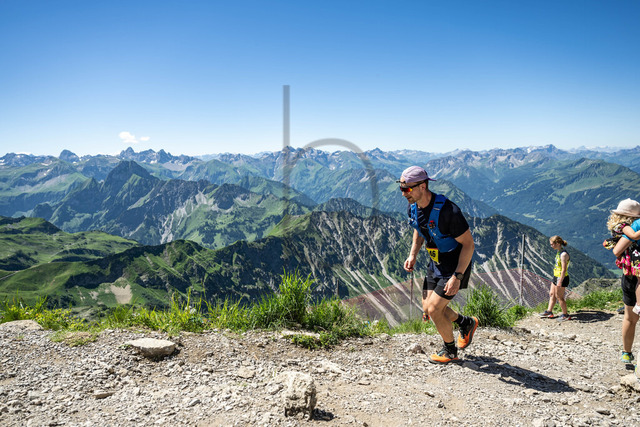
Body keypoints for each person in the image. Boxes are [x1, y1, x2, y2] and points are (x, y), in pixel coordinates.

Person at [400, 165, 477, 364]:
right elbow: (419, 228)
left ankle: (450, 351)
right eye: (401, 188)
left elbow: (469, 245)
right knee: (428, 308)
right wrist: (412, 254)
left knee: (435, 310)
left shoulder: (449, 211)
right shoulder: (413, 206)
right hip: (436, 261)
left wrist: (457, 276)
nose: (404, 193)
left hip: (455, 264)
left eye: (407, 189)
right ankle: (465, 323)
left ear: (423, 186)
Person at [611, 199, 640, 365]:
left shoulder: (626, 226)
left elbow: (617, 251)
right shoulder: (631, 226)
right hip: (635, 274)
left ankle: (627, 352)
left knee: (630, 318)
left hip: (630, 274)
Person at [604, 199, 640, 316]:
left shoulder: (618, 225)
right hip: (633, 256)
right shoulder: (624, 226)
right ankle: (639, 305)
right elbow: (634, 236)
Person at [539, 236, 571, 321]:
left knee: (559, 297)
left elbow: (564, 269)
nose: (551, 246)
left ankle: (565, 315)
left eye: (552, 244)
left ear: (558, 243)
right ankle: (549, 311)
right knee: (552, 294)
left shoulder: (563, 254)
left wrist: (560, 281)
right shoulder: (559, 251)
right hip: (556, 276)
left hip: (561, 277)